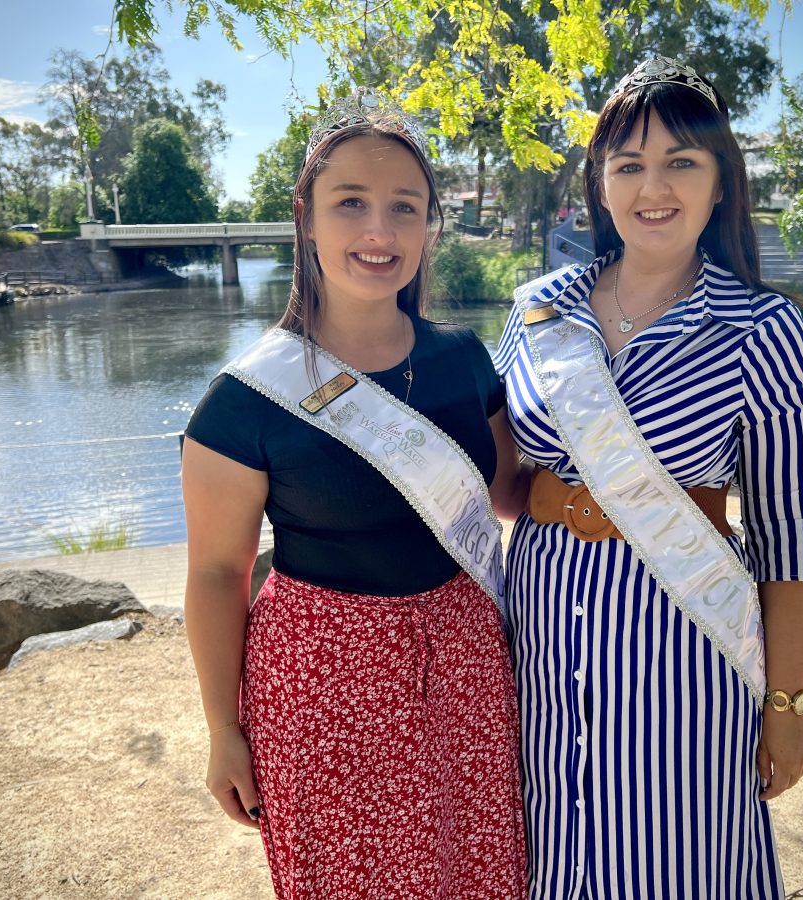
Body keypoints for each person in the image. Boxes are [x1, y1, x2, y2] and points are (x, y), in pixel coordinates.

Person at [180, 88, 528, 900]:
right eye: (351, 204)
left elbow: (515, 494)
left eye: (405, 207)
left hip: (470, 668)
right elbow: (214, 576)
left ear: (429, 224)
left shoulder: (467, 360)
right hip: (323, 686)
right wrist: (223, 731)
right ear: (305, 216)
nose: (381, 231)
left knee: (480, 871)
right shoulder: (245, 400)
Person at [494, 57, 803, 898]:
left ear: (721, 184)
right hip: (540, 646)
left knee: (676, 860)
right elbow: (494, 478)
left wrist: (787, 704)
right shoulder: (538, 310)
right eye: (630, 164)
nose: (655, 186)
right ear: (600, 185)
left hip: (683, 654)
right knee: (553, 852)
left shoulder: (761, 327)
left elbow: (793, 540)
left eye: (683, 161)